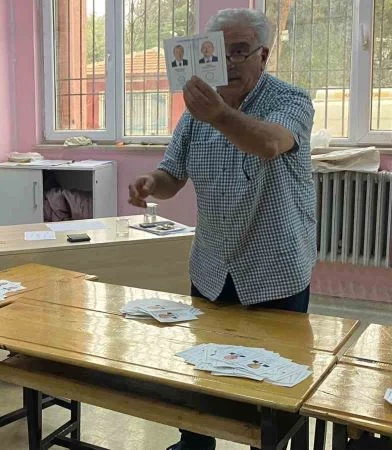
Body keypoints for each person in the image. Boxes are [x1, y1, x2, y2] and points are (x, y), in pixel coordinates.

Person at [128, 8, 315, 450]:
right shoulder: (197, 113)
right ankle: (194, 444)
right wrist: (150, 184)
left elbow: (269, 143)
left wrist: (218, 114)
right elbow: (172, 174)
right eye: (216, 53)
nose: (228, 63)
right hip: (213, 265)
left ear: (263, 55)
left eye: (239, 52)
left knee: (273, 379)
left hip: (275, 268)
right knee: (203, 367)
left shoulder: (292, 101)